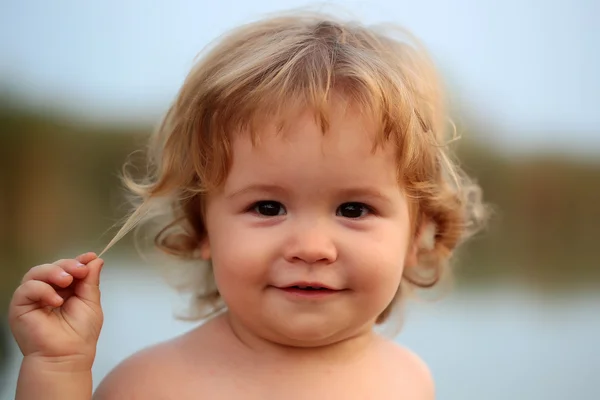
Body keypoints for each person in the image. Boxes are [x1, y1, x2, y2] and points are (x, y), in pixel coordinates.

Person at [8, 10, 487, 400]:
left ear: (417, 233)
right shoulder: (150, 385)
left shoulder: (407, 380)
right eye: (268, 208)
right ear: (201, 229)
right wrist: (58, 367)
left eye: (354, 210)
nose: (312, 247)